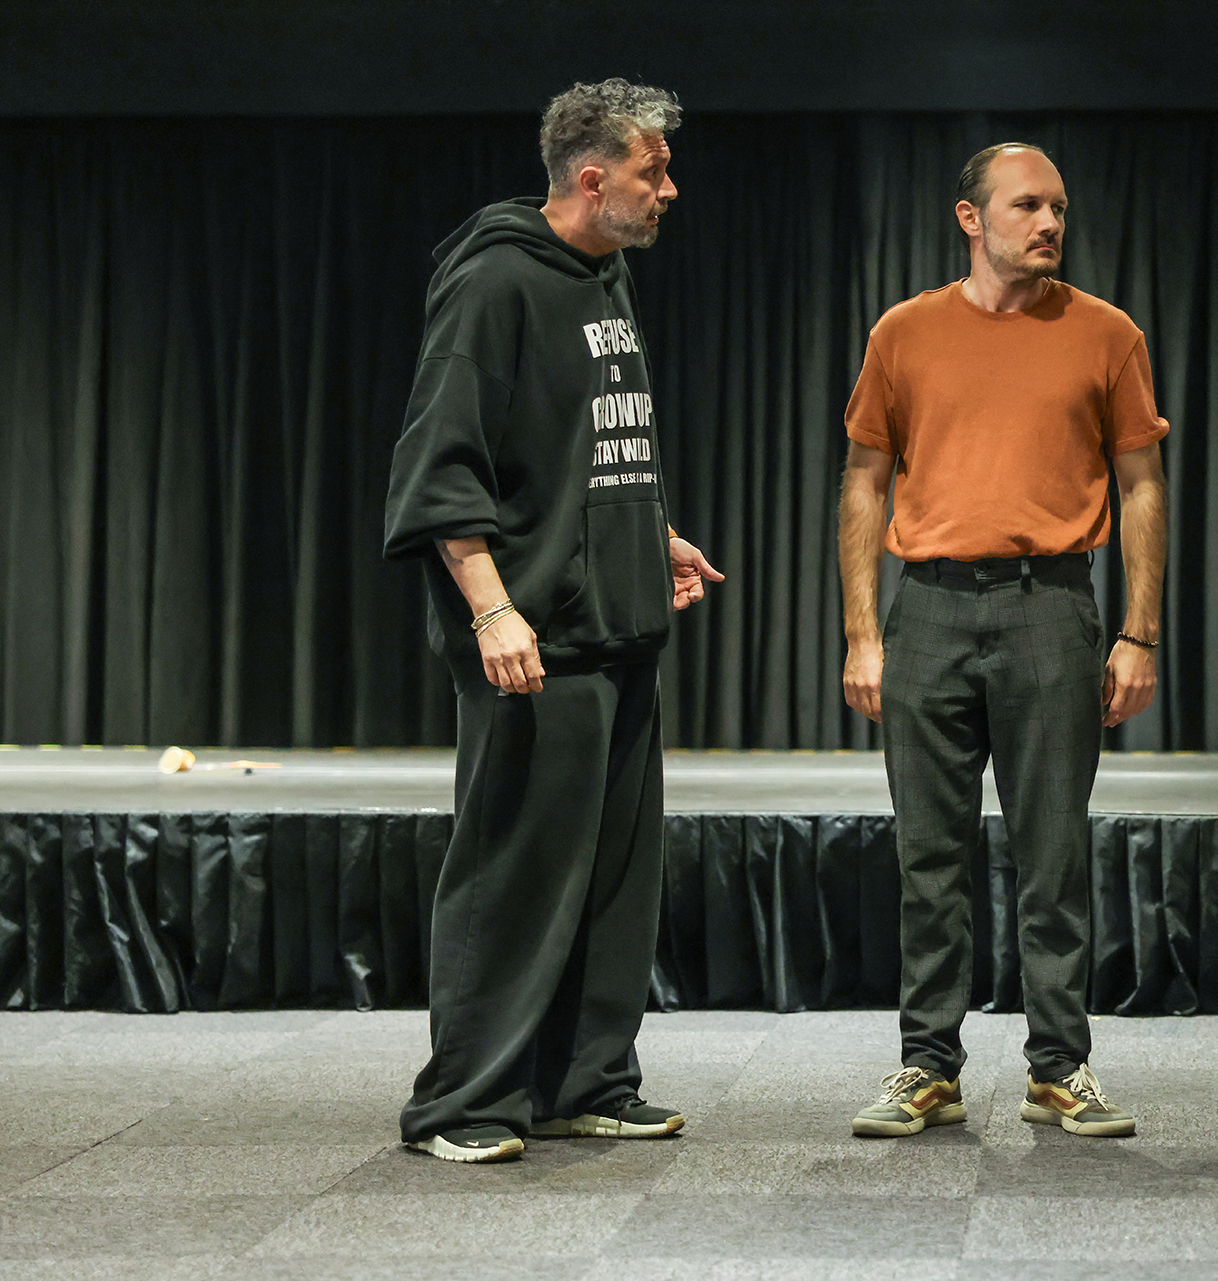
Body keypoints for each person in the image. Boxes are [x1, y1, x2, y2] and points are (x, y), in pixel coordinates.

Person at [382, 78, 723, 1163]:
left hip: (618, 624)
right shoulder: (494, 281)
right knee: (514, 879)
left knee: (616, 883)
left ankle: (585, 1080)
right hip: (534, 642)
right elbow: (443, 467)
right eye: (652, 170)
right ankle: (463, 1102)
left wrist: (651, 534)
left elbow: (593, 443)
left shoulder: (605, 274)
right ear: (592, 175)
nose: (669, 188)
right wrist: (493, 611)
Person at [838, 142, 1168, 1140]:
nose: (1051, 223)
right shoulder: (905, 332)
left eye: (1059, 206)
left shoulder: (1107, 333)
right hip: (929, 608)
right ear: (971, 218)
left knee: (1053, 851)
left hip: (1050, 607)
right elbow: (864, 481)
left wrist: (1139, 632)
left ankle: (1059, 1066)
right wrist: (862, 632)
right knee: (927, 857)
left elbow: (1142, 486)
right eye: (1028, 205)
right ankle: (927, 1066)